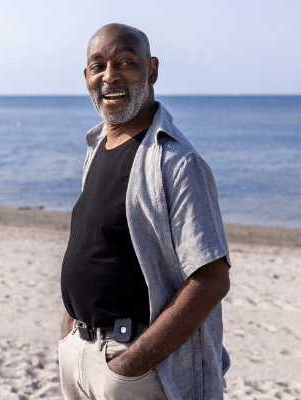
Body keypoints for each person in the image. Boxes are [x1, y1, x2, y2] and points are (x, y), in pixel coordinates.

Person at [58, 23, 231, 400]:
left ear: (151, 70)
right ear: (86, 76)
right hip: (80, 355)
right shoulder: (96, 147)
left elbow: (212, 280)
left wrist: (132, 365)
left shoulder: (176, 162)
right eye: (98, 66)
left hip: (131, 366)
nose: (110, 76)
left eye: (125, 63)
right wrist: (71, 330)